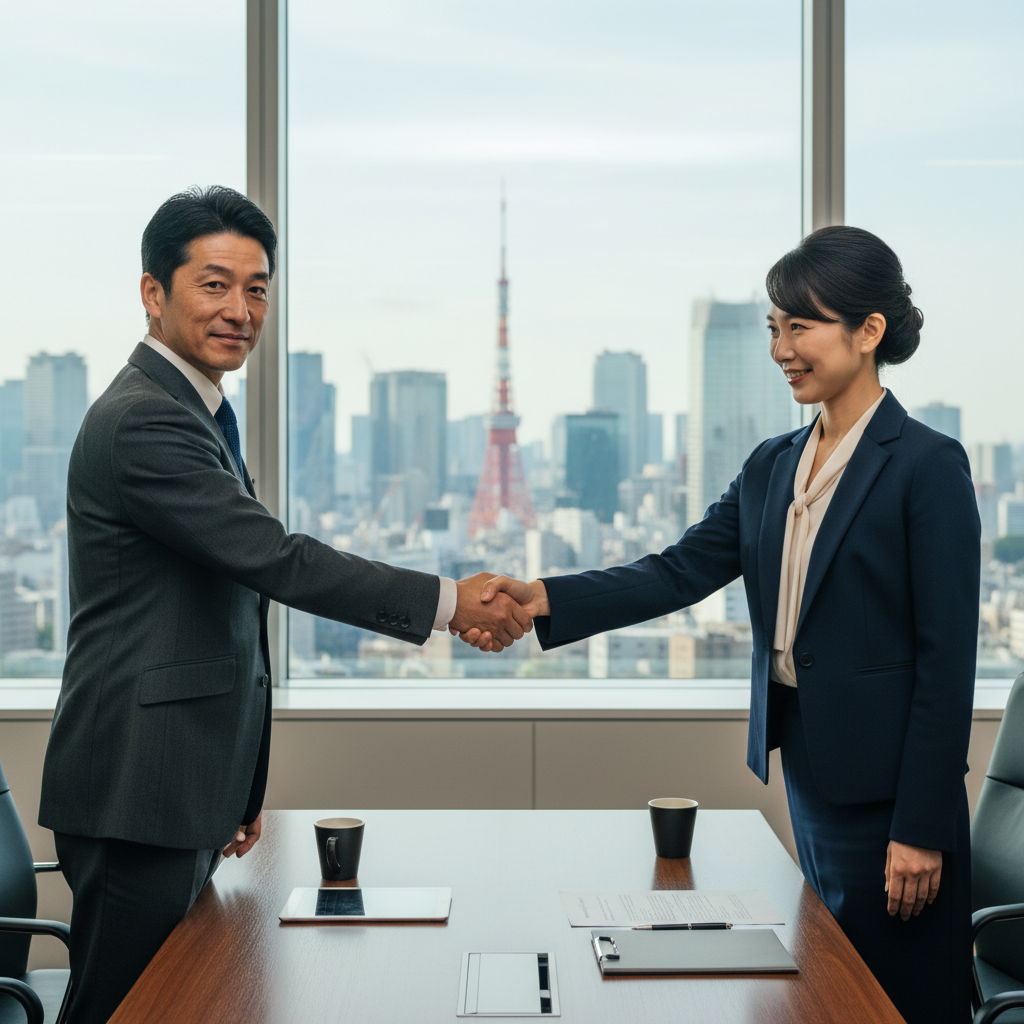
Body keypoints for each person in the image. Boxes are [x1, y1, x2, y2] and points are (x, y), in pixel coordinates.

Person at [463, 226, 980, 1024]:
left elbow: (948, 662)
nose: (782, 348)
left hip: (892, 791)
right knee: (828, 987)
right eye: (775, 327)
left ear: (868, 330)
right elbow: (678, 570)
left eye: (800, 325)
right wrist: (540, 598)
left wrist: (919, 829)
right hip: (810, 763)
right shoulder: (773, 462)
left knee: (892, 998)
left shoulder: (926, 464)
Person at [39, 185, 529, 1024]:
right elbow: (273, 558)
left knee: (175, 1004)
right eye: (215, 283)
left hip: (173, 779)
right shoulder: (144, 421)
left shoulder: (194, 409)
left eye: (257, 287)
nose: (241, 309)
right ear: (153, 294)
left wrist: (230, 785)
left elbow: (219, 601)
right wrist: (451, 602)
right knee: (124, 1010)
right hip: (137, 784)